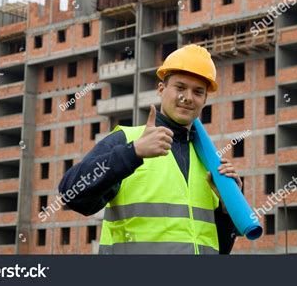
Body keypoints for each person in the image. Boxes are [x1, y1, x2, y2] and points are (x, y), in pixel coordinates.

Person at [58, 44, 242, 254]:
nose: (188, 97)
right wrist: (133, 152)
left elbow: (217, 248)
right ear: (161, 90)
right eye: (180, 87)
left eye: (198, 91)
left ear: (205, 100)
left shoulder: (207, 160)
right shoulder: (127, 140)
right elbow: (71, 193)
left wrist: (228, 211)